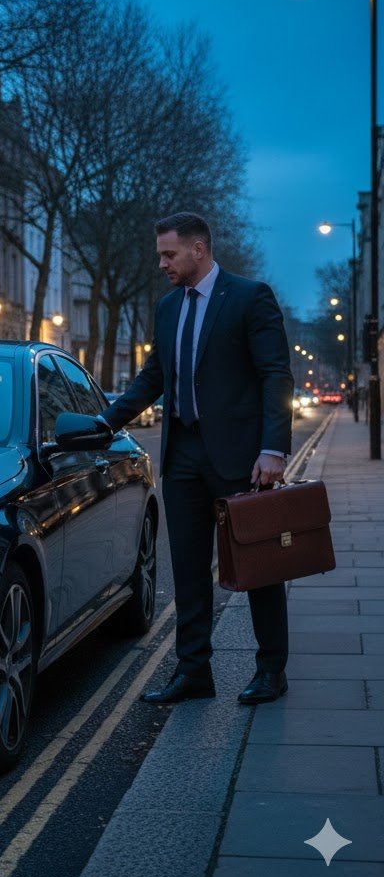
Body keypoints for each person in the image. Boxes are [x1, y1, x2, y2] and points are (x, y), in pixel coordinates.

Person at [101, 212, 294, 705]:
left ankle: (271, 670)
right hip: (183, 453)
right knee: (186, 568)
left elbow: (276, 374)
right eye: (160, 254)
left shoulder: (250, 298)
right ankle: (193, 672)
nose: (162, 263)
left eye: (169, 254)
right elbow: (152, 378)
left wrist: (274, 449)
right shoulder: (167, 308)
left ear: (199, 250)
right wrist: (104, 421)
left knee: (258, 567)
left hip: (240, 457)